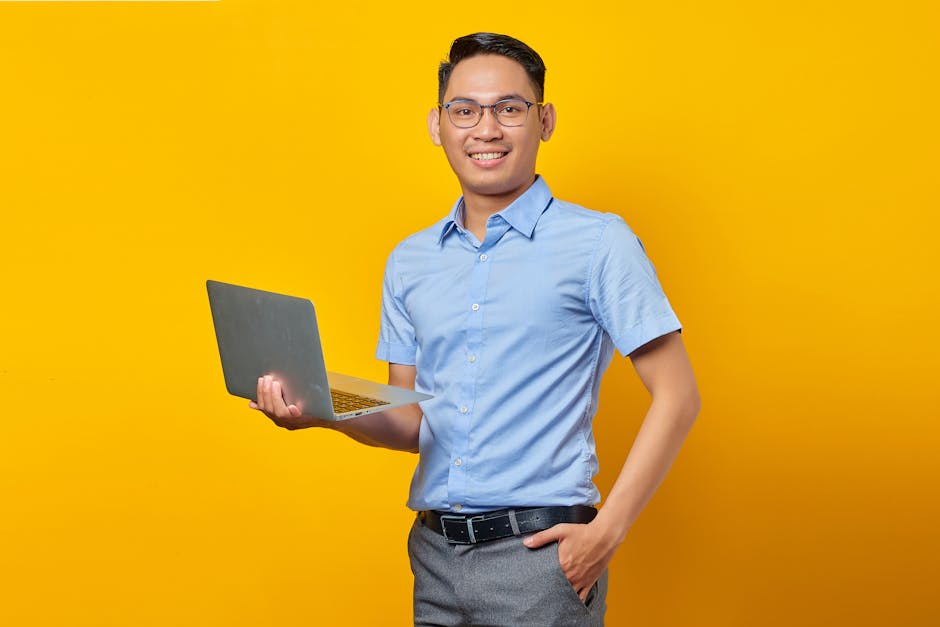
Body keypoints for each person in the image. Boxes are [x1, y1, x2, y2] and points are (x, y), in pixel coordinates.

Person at [251, 32, 700, 626]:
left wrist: (606, 533)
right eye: (465, 110)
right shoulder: (410, 261)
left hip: (542, 560)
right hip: (435, 557)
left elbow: (678, 395)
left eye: (509, 109)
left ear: (544, 121)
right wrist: (319, 402)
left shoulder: (598, 243)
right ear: (438, 125)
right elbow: (415, 421)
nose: (485, 129)